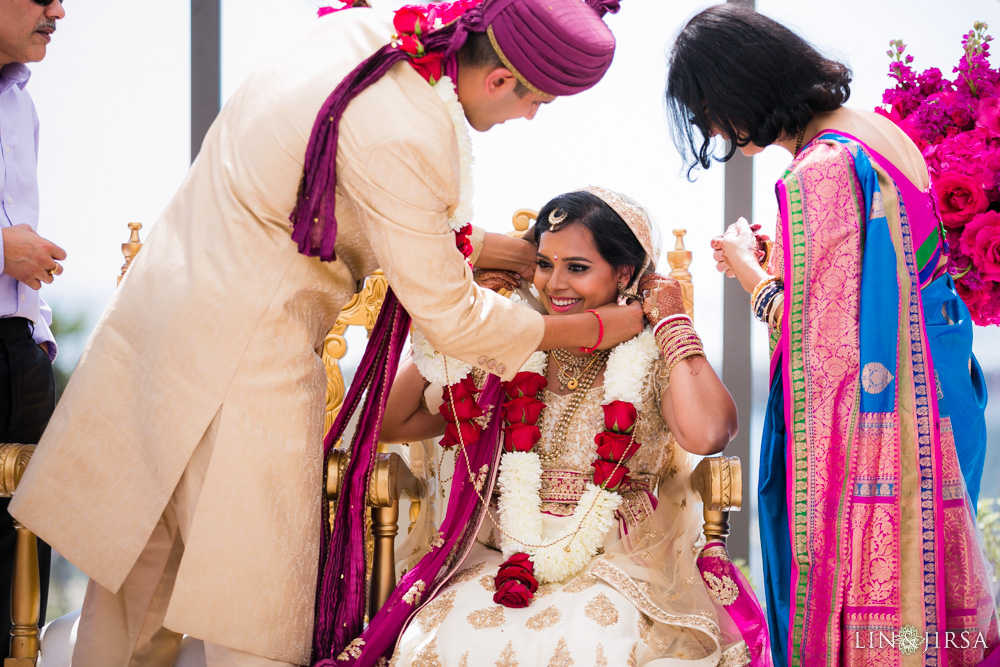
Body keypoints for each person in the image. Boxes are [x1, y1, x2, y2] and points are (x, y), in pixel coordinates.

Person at [8, 1, 647, 666]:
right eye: (537, 100)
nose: (531, 117)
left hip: (160, 334)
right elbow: (455, 318)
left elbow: (354, 188)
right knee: (251, 617)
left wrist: (513, 254)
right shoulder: (412, 133)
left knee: (130, 604)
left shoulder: (361, 35)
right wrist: (601, 324)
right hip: (246, 361)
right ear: (499, 80)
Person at [666, 5, 999, 666]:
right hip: (937, 393)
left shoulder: (821, 169)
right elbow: (885, 281)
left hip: (891, 424)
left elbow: (826, 345)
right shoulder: (873, 131)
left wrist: (749, 271)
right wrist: (785, 256)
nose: (712, 132)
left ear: (737, 93)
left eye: (707, 113)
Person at [359, 187, 771, 667]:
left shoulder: (651, 353)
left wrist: (674, 322)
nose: (555, 283)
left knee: (593, 647)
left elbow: (709, 434)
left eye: (577, 267)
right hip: (498, 554)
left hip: (617, 562)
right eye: (544, 263)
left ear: (624, 273)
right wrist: (466, 323)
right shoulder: (511, 346)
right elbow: (392, 420)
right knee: (446, 646)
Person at [0, 0, 66, 655]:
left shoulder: (21, 104)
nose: (59, 11)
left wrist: (37, 342)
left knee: (21, 556)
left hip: (19, 356)